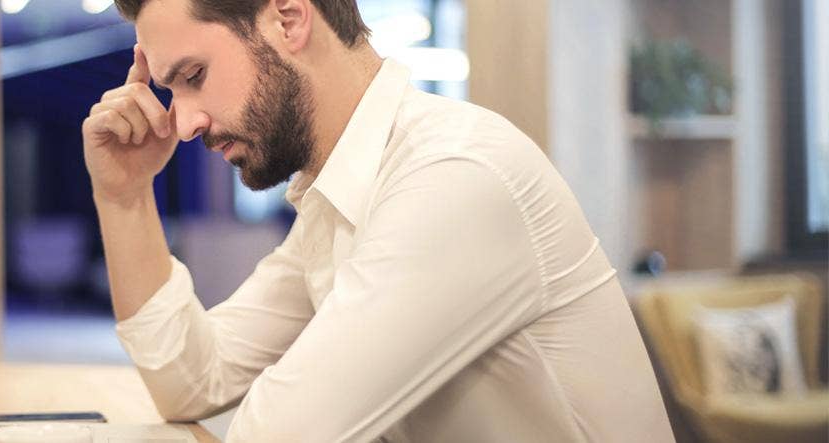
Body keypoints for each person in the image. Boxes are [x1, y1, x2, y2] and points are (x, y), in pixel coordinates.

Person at [80, 0, 674, 440]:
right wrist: (125, 197)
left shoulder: (455, 174)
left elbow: (279, 435)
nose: (182, 124)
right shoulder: (336, 196)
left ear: (288, 19)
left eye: (193, 77)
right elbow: (193, 381)